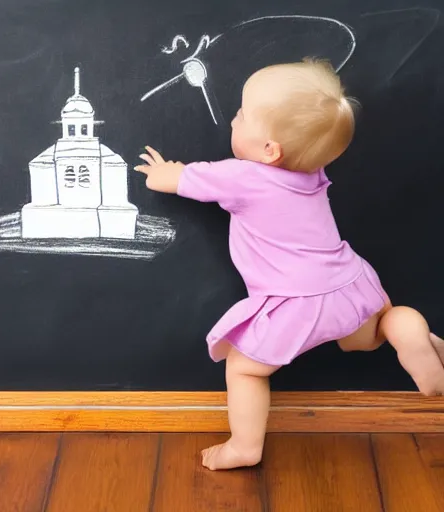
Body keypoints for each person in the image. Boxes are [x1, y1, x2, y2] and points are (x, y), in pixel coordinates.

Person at [134, 59, 444, 471]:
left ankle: (245, 446)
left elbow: (177, 181)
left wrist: (163, 172)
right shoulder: (311, 170)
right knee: (366, 337)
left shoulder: (242, 176)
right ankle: (407, 328)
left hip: (295, 302)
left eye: (242, 115)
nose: (234, 118)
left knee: (244, 369)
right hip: (349, 281)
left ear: (269, 150)